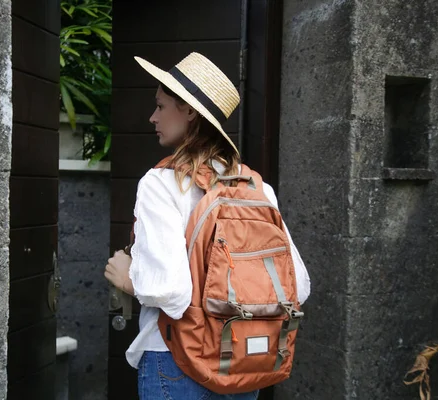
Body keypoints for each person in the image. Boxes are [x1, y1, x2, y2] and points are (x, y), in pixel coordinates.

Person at [104, 52, 311, 400]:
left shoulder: (161, 183)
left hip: (176, 361)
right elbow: (299, 287)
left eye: (160, 105)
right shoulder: (256, 188)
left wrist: (128, 278)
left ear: (189, 111)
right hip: (242, 362)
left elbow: (170, 293)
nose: (152, 116)